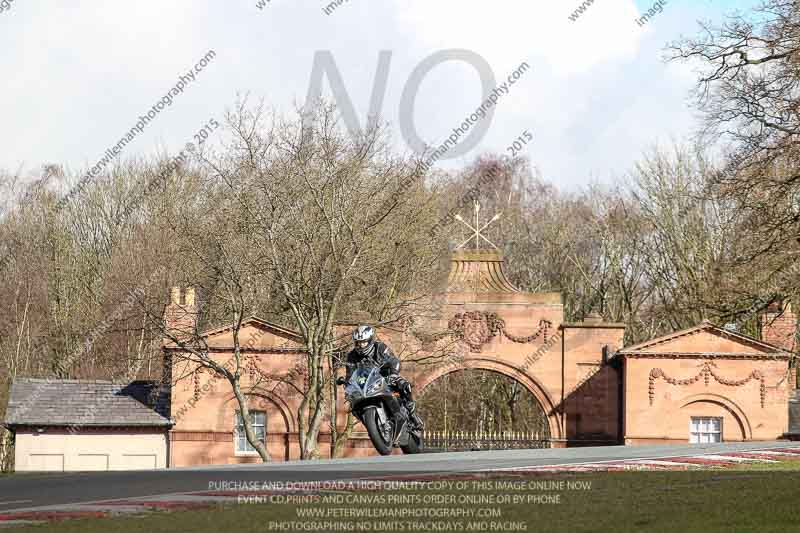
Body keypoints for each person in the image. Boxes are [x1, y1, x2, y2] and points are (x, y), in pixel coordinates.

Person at [344, 325, 423, 429]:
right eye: (358, 342)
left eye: (364, 342)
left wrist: (394, 374)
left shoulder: (380, 347)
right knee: (354, 407)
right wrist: (348, 384)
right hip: (367, 383)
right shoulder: (351, 356)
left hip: (385, 375)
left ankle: (412, 414)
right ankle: (373, 427)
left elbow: (393, 360)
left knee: (403, 385)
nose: (361, 345)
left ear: (370, 340)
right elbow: (350, 374)